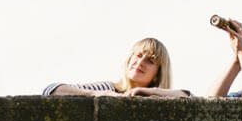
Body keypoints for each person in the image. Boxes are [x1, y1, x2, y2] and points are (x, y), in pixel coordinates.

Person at [43, 37, 190, 97]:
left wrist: (143, 91)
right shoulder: (111, 89)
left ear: (158, 73)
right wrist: (97, 95)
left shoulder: (159, 97)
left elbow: (188, 97)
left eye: (150, 61)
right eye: (138, 55)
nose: (140, 63)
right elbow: (52, 90)